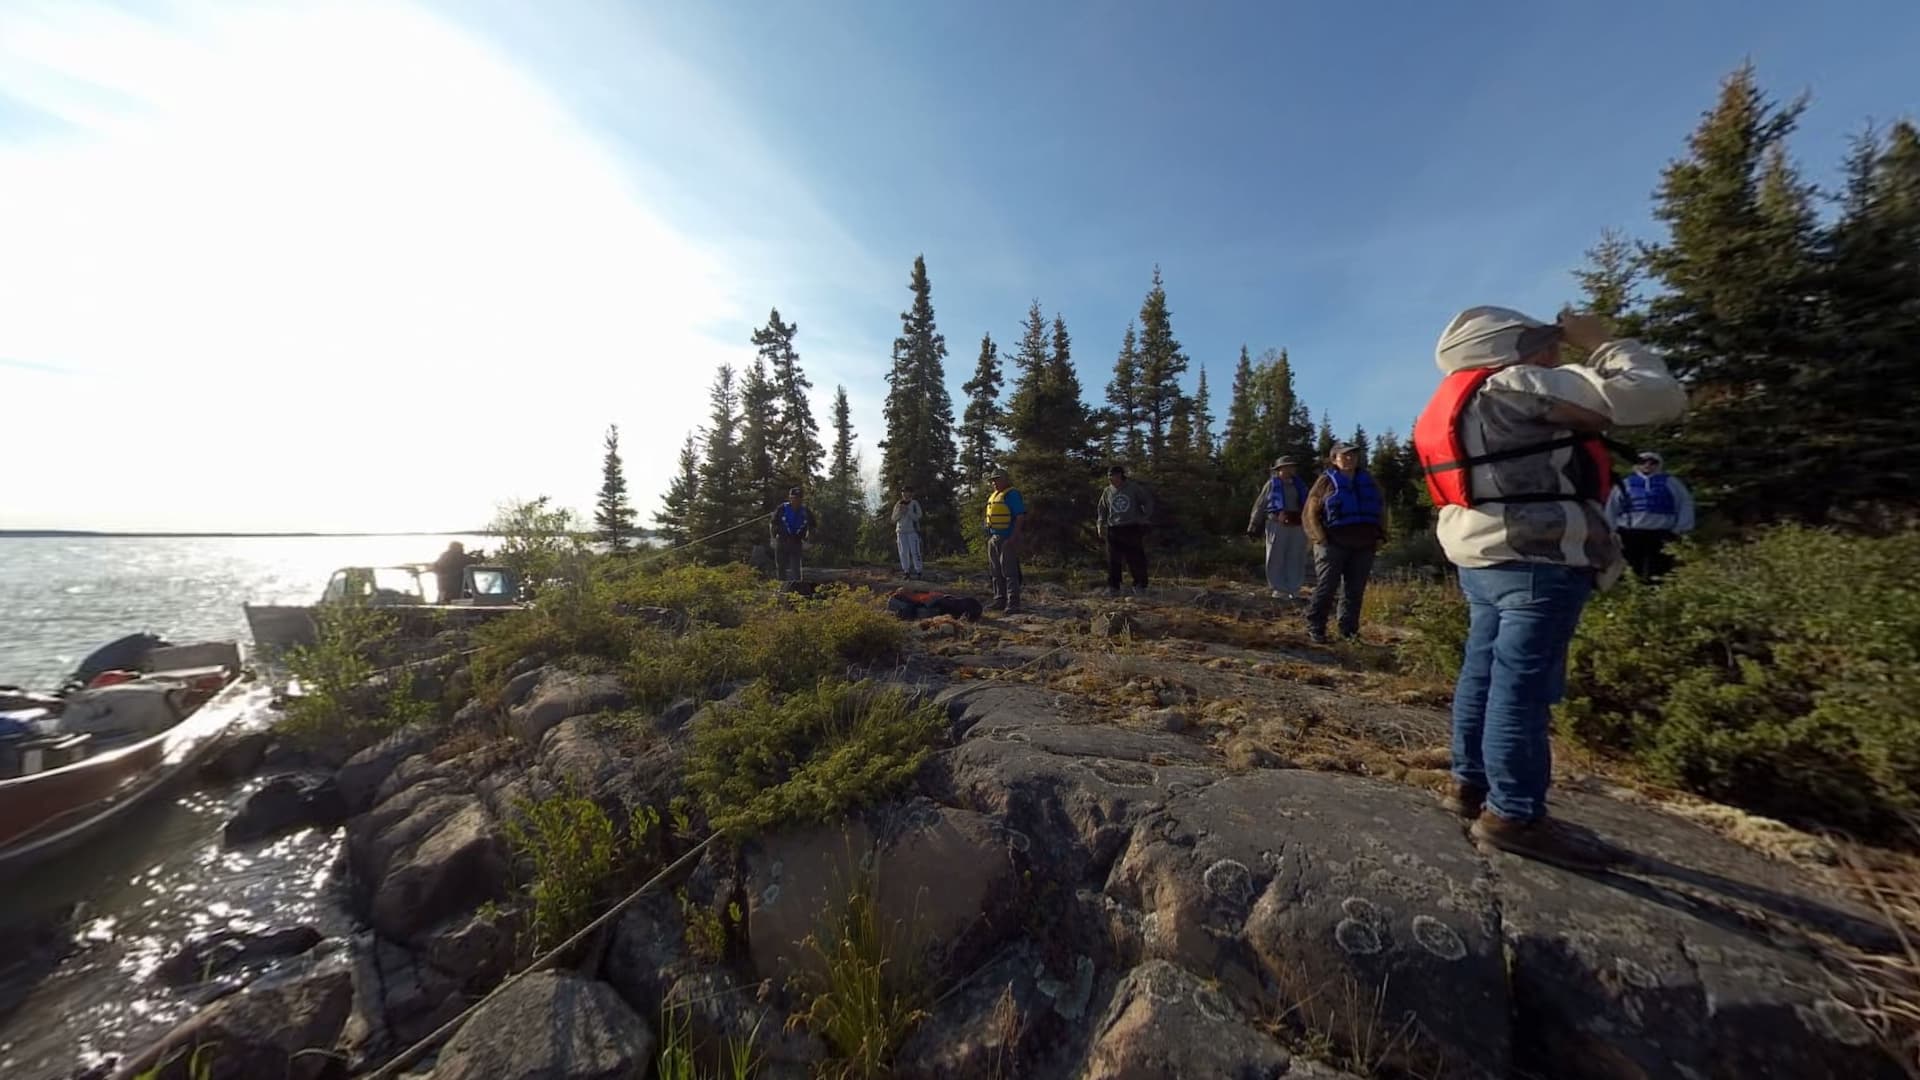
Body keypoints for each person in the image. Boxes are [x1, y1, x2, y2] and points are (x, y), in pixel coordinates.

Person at [1415, 306, 1686, 869]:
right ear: (1517, 348)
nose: (1556, 350)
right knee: (1522, 687)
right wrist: (1607, 343)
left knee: (1483, 672)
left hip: (1479, 556)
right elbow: (1657, 397)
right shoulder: (1522, 383)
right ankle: (1514, 816)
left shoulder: (1458, 397)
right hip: (1539, 555)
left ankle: (1470, 785)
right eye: (1546, 341)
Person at [1303, 445, 1386, 643]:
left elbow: (1382, 508)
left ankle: (1348, 630)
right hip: (1333, 542)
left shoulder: (1369, 481)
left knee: (1354, 590)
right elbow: (1310, 513)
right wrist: (1320, 538)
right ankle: (1316, 626)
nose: (1350, 459)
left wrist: (1381, 535)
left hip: (1364, 542)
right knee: (1327, 586)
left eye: (1353, 455)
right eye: (1345, 456)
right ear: (1334, 459)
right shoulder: (1325, 482)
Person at [1606, 451, 1694, 582]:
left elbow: (1684, 504)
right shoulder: (1626, 483)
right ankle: (1630, 591)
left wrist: (1680, 528)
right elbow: (1612, 507)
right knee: (1629, 569)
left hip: (1661, 532)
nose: (1647, 465)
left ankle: (1656, 592)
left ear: (1659, 464)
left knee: (1659, 570)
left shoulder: (1671, 482)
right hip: (1630, 533)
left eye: (1653, 462)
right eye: (1643, 462)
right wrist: (1611, 530)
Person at [1247, 456, 1310, 603]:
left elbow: (1309, 504)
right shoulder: (1271, 485)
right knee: (1275, 556)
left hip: (1297, 524)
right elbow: (1260, 504)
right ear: (1278, 470)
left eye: (1291, 467)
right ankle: (1279, 589)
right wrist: (1253, 525)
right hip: (1276, 524)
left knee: (1296, 556)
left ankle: (1294, 588)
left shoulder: (1300, 485)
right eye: (1285, 467)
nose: (1289, 470)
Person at [1095, 465, 1155, 596]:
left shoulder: (1133, 488)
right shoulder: (1107, 491)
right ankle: (1114, 587)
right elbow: (1102, 509)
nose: (1111, 479)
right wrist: (1100, 524)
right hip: (1114, 528)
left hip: (1131, 527)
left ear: (1120, 476)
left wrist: (1144, 517)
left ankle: (1140, 585)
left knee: (1135, 558)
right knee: (1113, 560)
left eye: (1113, 476)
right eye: (1109, 477)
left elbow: (1147, 502)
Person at [983, 468, 1026, 613]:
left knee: (1009, 572)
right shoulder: (994, 496)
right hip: (994, 538)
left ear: (1005, 479)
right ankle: (999, 600)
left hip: (1007, 538)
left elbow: (1020, 517)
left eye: (997, 479)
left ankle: (1013, 604)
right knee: (995, 571)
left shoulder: (1012, 495)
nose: (994, 482)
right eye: (993, 480)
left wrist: (1013, 538)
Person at [770, 486, 815, 584]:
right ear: (790, 498)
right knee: (781, 567)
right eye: (794, 498)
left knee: (796, 568)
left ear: (801, 499)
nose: (796, 500)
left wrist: (809, 540)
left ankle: (797, 588)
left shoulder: (805, 511)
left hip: (796, 541)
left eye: (798, 498)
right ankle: (781, 587)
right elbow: (773, 523)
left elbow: (812, 526)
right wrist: (773, 539)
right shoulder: (782, 508)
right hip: (782, 540)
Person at [891, 485, 925, 579]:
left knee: (915, 551)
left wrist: (908, 511)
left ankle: (919, 571)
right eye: (903, 492)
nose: (905, 494)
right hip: (901, 531)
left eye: (907, 492)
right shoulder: (898, 504)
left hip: (912, 531)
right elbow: (893, 518)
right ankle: (906, 571)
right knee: (903, 552)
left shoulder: (914, 504)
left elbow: (918, 517)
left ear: (911, 493)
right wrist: (901, 512)